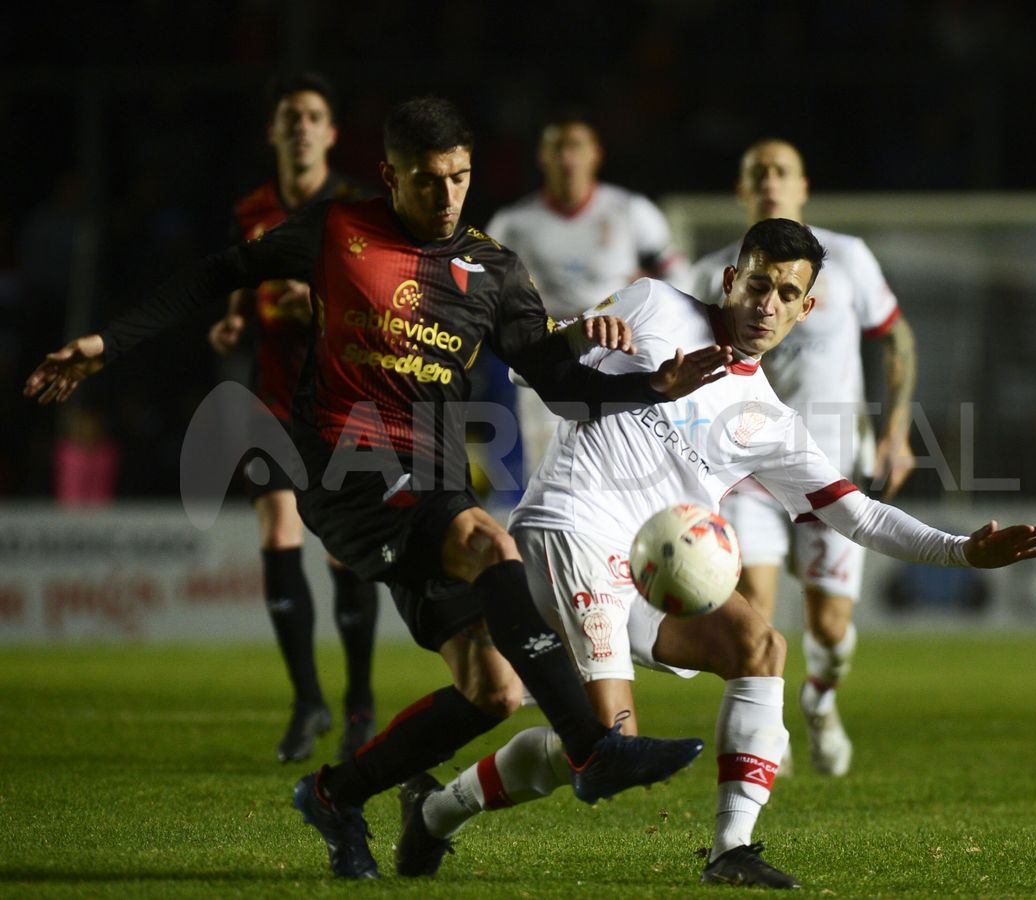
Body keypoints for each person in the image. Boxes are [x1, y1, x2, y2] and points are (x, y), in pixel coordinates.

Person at [25, 96, 732, 882]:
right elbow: (217, 273)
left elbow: (559, 385)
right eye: (429, 182)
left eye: (460, 178)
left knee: (491, 692)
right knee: (487, 542)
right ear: (391, 176)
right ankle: (593, 747)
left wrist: (654, 383)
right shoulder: (335, 230)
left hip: (427, 485)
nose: (448, 197)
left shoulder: (493, 270)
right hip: (346, 471)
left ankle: (335, 794)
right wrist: (104, 342)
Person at [392, 219, 1036, 888]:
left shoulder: (769, 421)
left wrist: (962, 550)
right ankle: (440, 811)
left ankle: (729, 848)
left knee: (759, 647)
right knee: (608, 746)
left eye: (787, 294)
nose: (768, 304)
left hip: (643, 571)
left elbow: (860, 514)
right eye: (758, 284)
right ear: (732, 279)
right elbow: (544, 375)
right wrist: (578, 333)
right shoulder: (653, 303)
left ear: (805, 308)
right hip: (569, 530)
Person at [692, 138, 918, 778]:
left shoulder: (846, 260)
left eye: (780, 170)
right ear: (740, 191)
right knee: (753, 604)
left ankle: (820, 699)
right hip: (748, 472)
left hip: (831, 465)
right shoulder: (715, 274)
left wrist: (897, 433)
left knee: (828, 626)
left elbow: (896, 335)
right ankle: (768, 732)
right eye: (755, 172)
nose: (769, 180)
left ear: (803, 185)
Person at [207, 71, 380, 765]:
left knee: (341, 549)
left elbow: (375, 300)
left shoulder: (354, 209)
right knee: (279, 530)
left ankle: (360, 701)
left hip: (341, 401)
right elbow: (240, 291)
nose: (301, 127)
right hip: (271, 396)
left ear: (331, 134)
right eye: (291, 117)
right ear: (274, 132)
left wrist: (329, 313)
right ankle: (307, 701)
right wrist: (231, 323)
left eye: (313, 116)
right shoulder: (250, 207)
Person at [486, 113, 692, 480]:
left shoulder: (630, 210)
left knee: (625, 462)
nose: (567, 158)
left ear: (596, 154)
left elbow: (678, 275)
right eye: (557, 147)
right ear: (542, 157)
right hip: (546, 351)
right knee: (550, 466)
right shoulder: (512, 223)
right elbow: (484, 293)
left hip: (621, 350)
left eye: (576, 147)